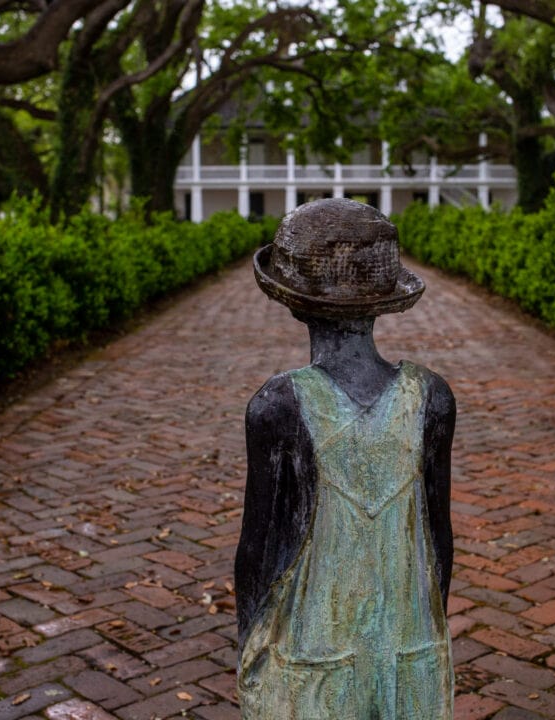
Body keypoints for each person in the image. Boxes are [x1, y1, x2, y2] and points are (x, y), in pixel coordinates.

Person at [235, 197, 456, 719]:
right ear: (383, 300)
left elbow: (259, 549)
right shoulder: (431, 396)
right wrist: (426, 623)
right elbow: (438, 539)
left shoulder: (278, 405)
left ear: (293, 302)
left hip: (310, 652)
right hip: (409, 648)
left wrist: (249, 640)